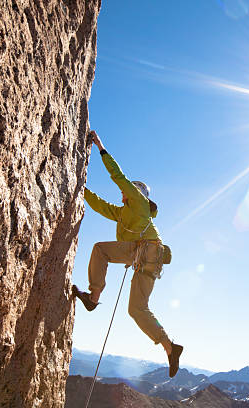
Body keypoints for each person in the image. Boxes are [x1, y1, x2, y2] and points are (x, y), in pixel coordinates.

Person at [72, 130, 183, 378]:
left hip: (144, 251)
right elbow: (100, 206)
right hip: (148, 262)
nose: (123, 193)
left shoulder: (139, 203)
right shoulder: (123, 213)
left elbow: (118, 177)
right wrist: (79, 187)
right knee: (136, 309)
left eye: (129, 191)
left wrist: (101, 147)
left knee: (100, 249)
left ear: (136, 193)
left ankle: (94, 296)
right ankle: (169, 347)